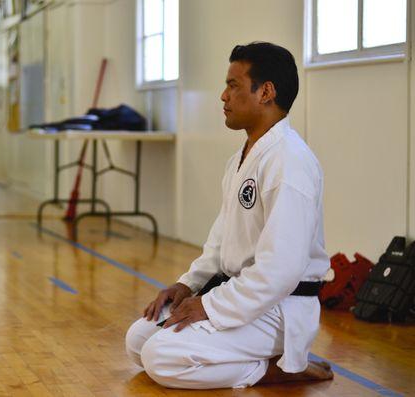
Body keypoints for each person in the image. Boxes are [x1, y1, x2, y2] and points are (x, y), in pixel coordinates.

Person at [125, 42, 333, 389]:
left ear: (265, 92)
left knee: (161, 357)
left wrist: (209, 306)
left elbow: (280, 271)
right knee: (138, 341)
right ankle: (252, 358)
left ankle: (276, 369)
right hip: (240, 294)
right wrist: (187, 286)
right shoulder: (243, 158)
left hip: (279, 307)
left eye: (233, 85)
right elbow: (220, 244)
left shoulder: (289, 162)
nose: (223, 96)